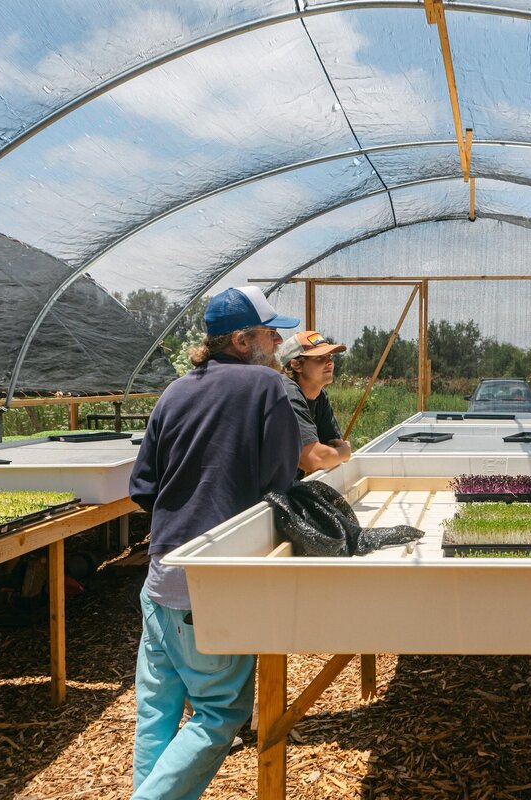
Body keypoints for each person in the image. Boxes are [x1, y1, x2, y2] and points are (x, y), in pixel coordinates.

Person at [128, 286, 301, 800]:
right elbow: (279, 487)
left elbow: (143, 489)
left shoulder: (175, 391)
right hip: (213, 583)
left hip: (161, 576)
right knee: (220, 712)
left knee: (156, 711)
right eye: (271, 332)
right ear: (244, 340)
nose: (277, 342)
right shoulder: (267, 389)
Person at [276, 330, 352, 475]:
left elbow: (332, 445)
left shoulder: (319, 395)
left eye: (329, 356)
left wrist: (333, 453)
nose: (329, 362)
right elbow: (314, 460)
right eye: (319, 358)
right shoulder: (287, 392)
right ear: (296, 365)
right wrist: (344, 453)